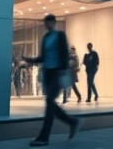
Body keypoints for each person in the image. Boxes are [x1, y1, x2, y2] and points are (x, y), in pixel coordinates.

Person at [22, 14, 82, 147]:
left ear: (54, 23)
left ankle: (44, 137)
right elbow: (43, 57)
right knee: (50, 103)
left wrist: (63, 69)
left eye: (49, 22)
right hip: (48, 73)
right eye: (46, 23)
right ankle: (72, 121)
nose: (47, 25)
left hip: (57, 72)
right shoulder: (46, 38)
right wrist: (30, 60)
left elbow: (65, 54)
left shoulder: (59, 35)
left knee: (49, 102)